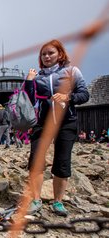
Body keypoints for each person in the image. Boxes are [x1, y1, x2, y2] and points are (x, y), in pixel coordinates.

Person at [25, 39, 89, 216]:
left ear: (60, 54)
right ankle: (36, 199)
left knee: (62, 162)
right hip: (42, 123)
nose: (46, 56)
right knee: (36, 161)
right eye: (43, 54)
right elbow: (29, 101)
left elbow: (84, 94)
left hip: (66, 122)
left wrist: (68, 97)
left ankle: (58, 202)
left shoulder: (72, 71)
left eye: (50, 53)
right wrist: (29, 81)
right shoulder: (38, 77)